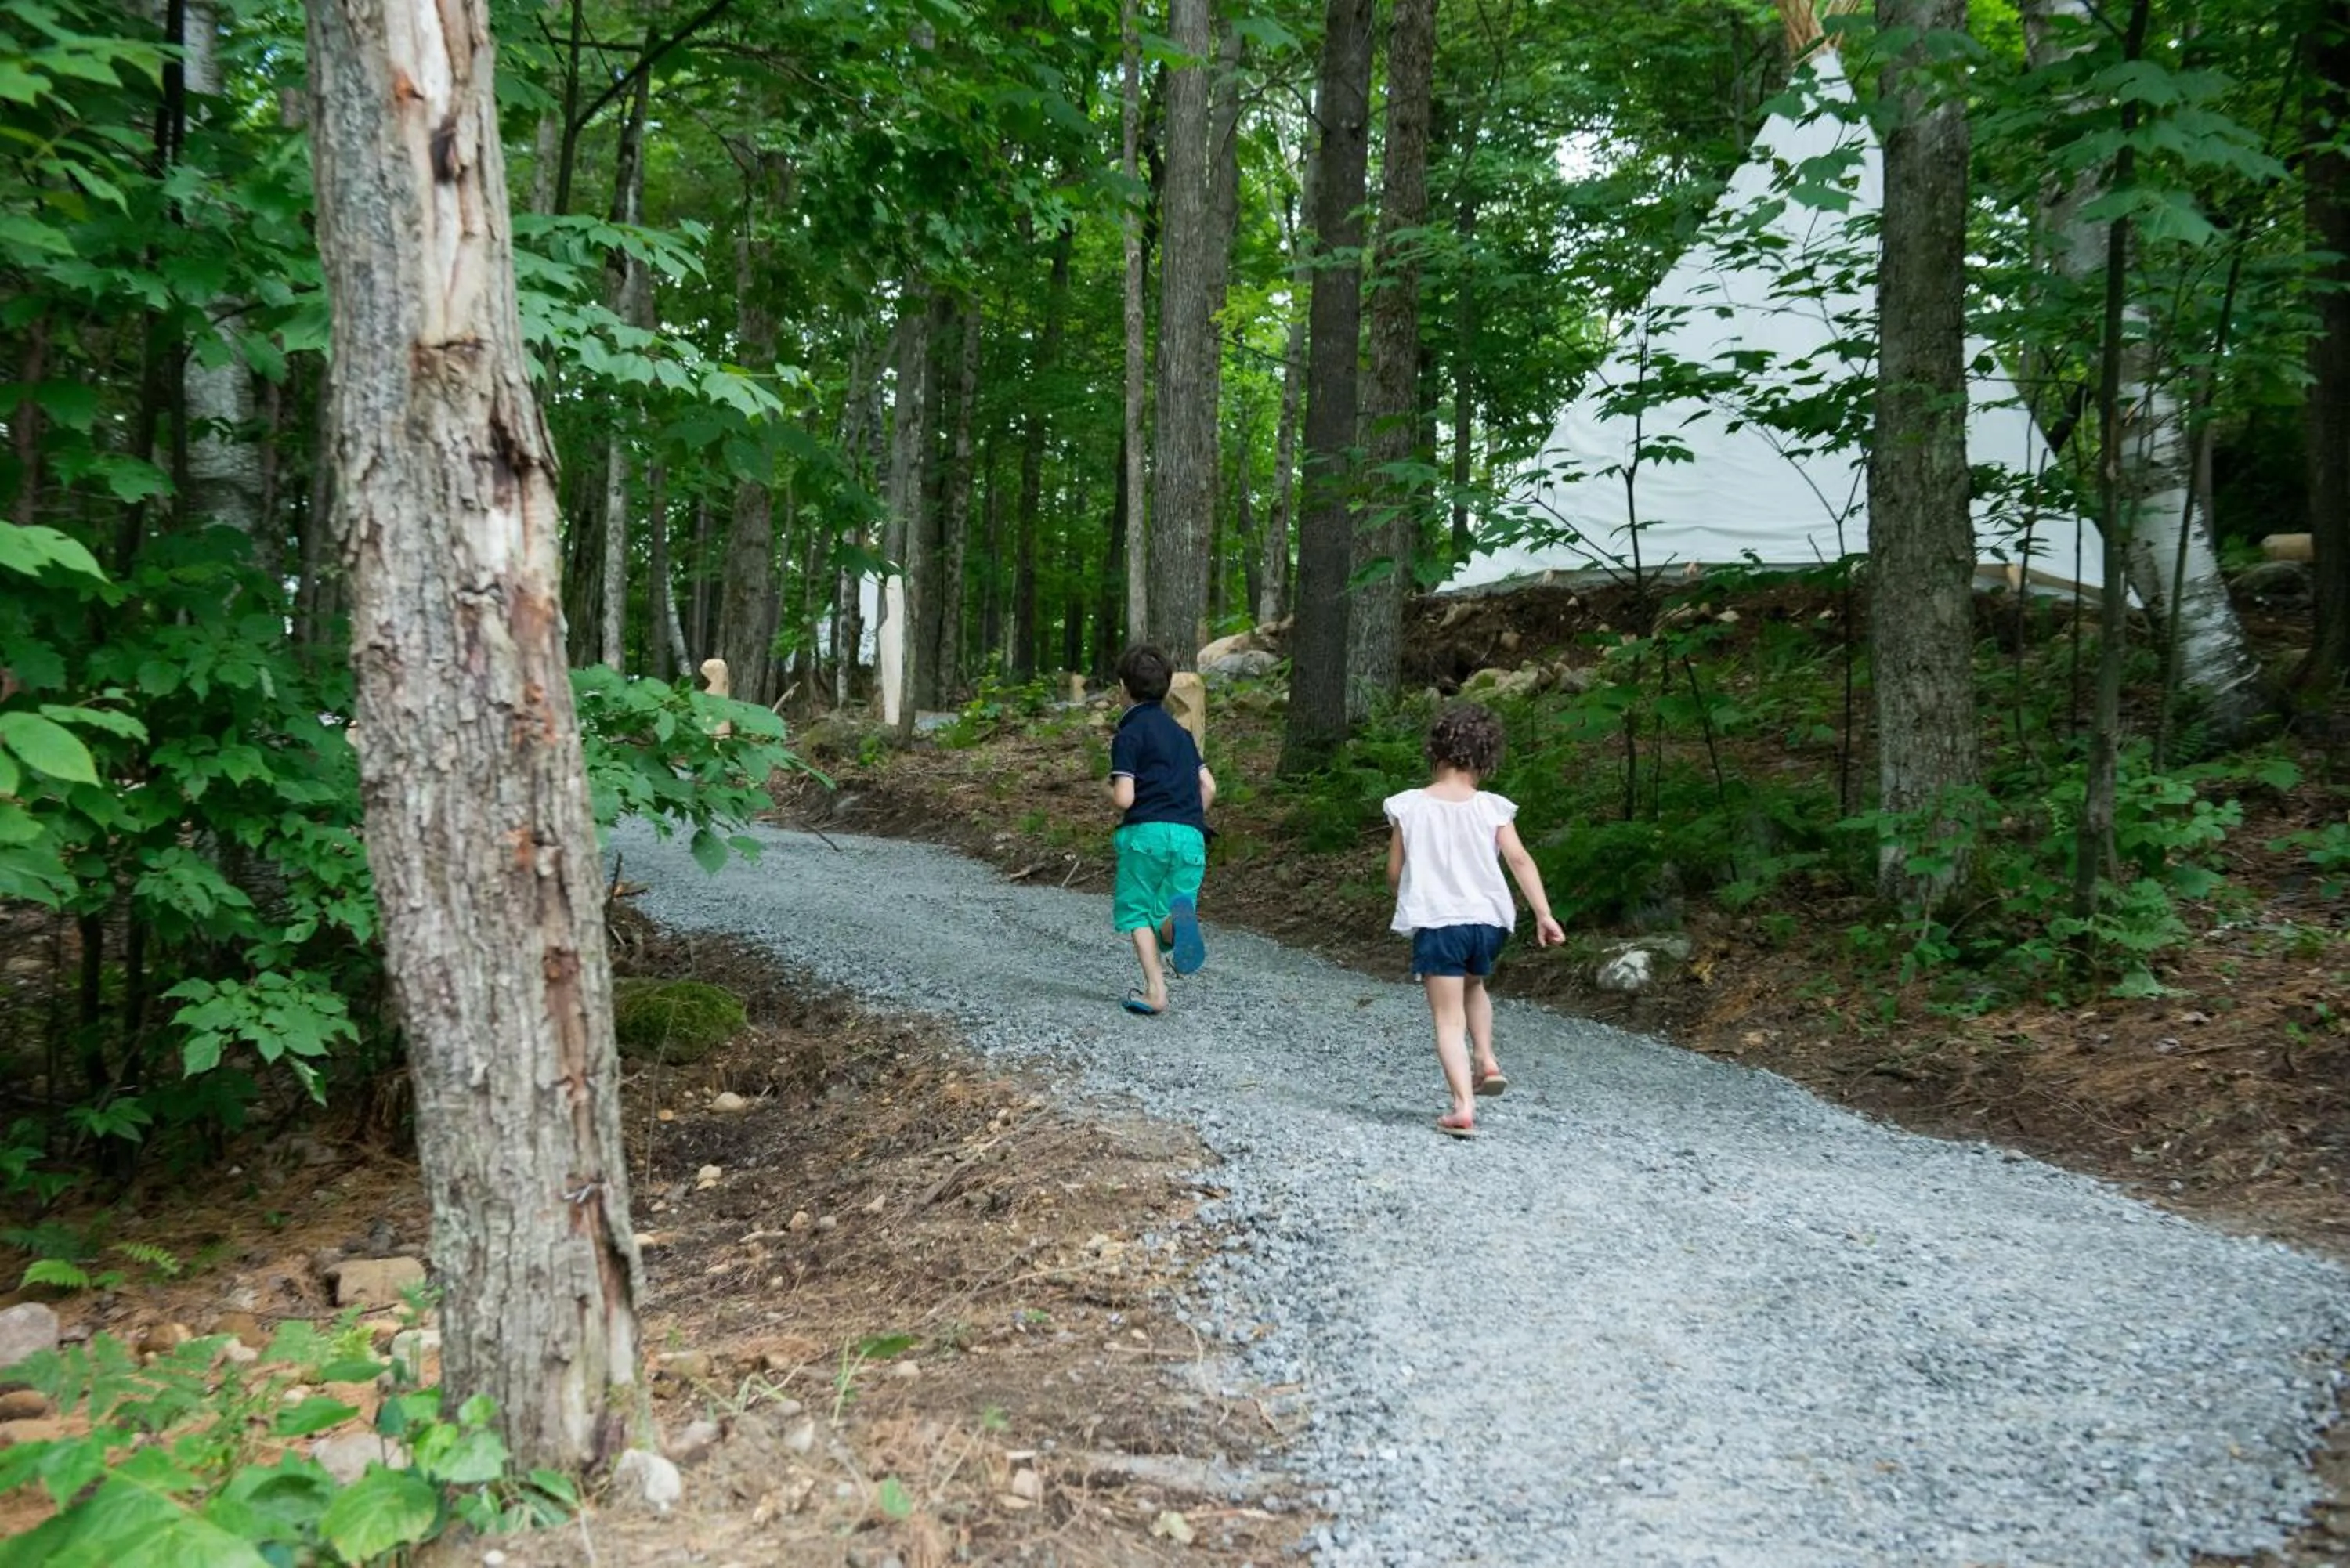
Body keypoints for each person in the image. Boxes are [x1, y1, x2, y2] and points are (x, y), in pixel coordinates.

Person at [1383, 703, 1564, 1138]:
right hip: (1488, 922)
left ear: (1435, 753)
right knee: (1475, 984)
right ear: (1484, 760)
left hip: (1439, 921)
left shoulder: (1409, 807)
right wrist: (1544, 913)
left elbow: (1394, 872)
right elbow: (1519, 860)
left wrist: (1404, 892)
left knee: (1448, 1020)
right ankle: (1487, 1059)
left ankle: (1463, 1106)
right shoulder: (1491, 807)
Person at [1108, 645, 1216, 1016]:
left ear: (1123, 687)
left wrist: (1103, 790)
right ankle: (1177, 922)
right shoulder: (1182, 736)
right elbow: (1209, 788)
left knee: (1137, 912)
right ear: (1168, 688)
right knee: (1166, 911)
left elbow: (1125, 797)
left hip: (1147, 836)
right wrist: (1186, 816)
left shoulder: (1129, 734)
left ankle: (1156, 992)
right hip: (1190, 835)